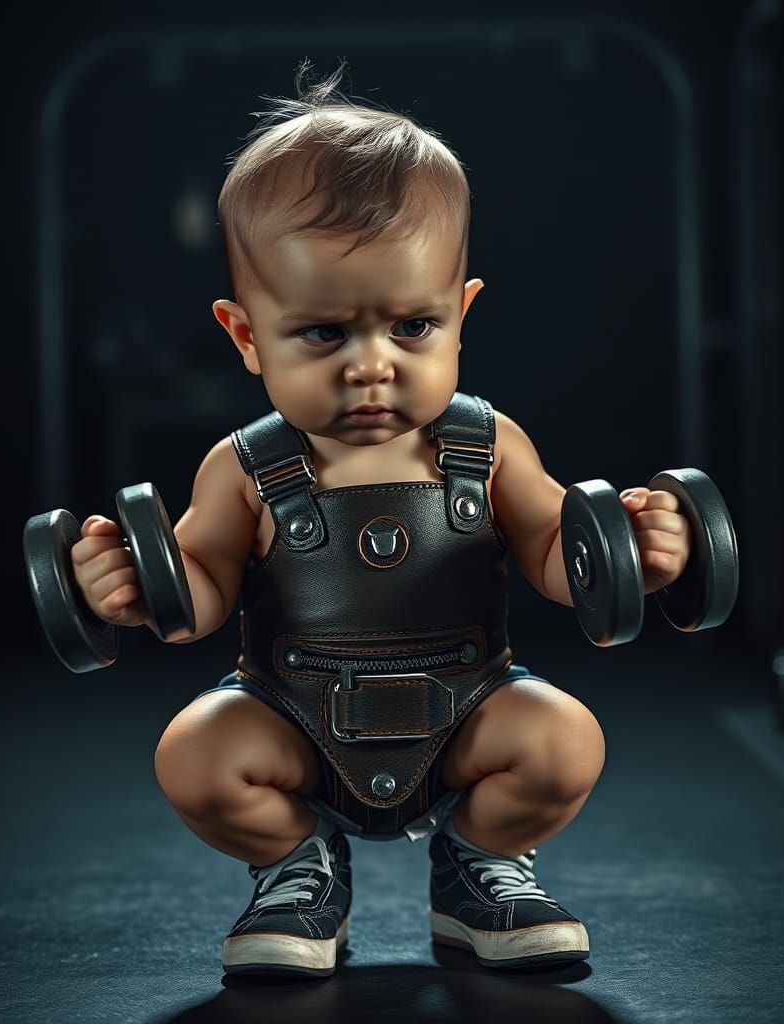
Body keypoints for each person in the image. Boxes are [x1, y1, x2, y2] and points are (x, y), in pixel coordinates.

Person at [71, 59, 691, 979]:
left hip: (466, 708)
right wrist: (127, 584)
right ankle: (295, 868)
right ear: (247, 335)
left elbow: (566, 556)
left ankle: (481, 863)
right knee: (195, 754)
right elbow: (194, 593)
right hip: (297, 719)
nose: (372, 364)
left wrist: (638, 550)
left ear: (460, 314)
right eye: (324, 333)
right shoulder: (244, 467)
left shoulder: (488, 445)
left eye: (412, 327)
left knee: (564, 740)